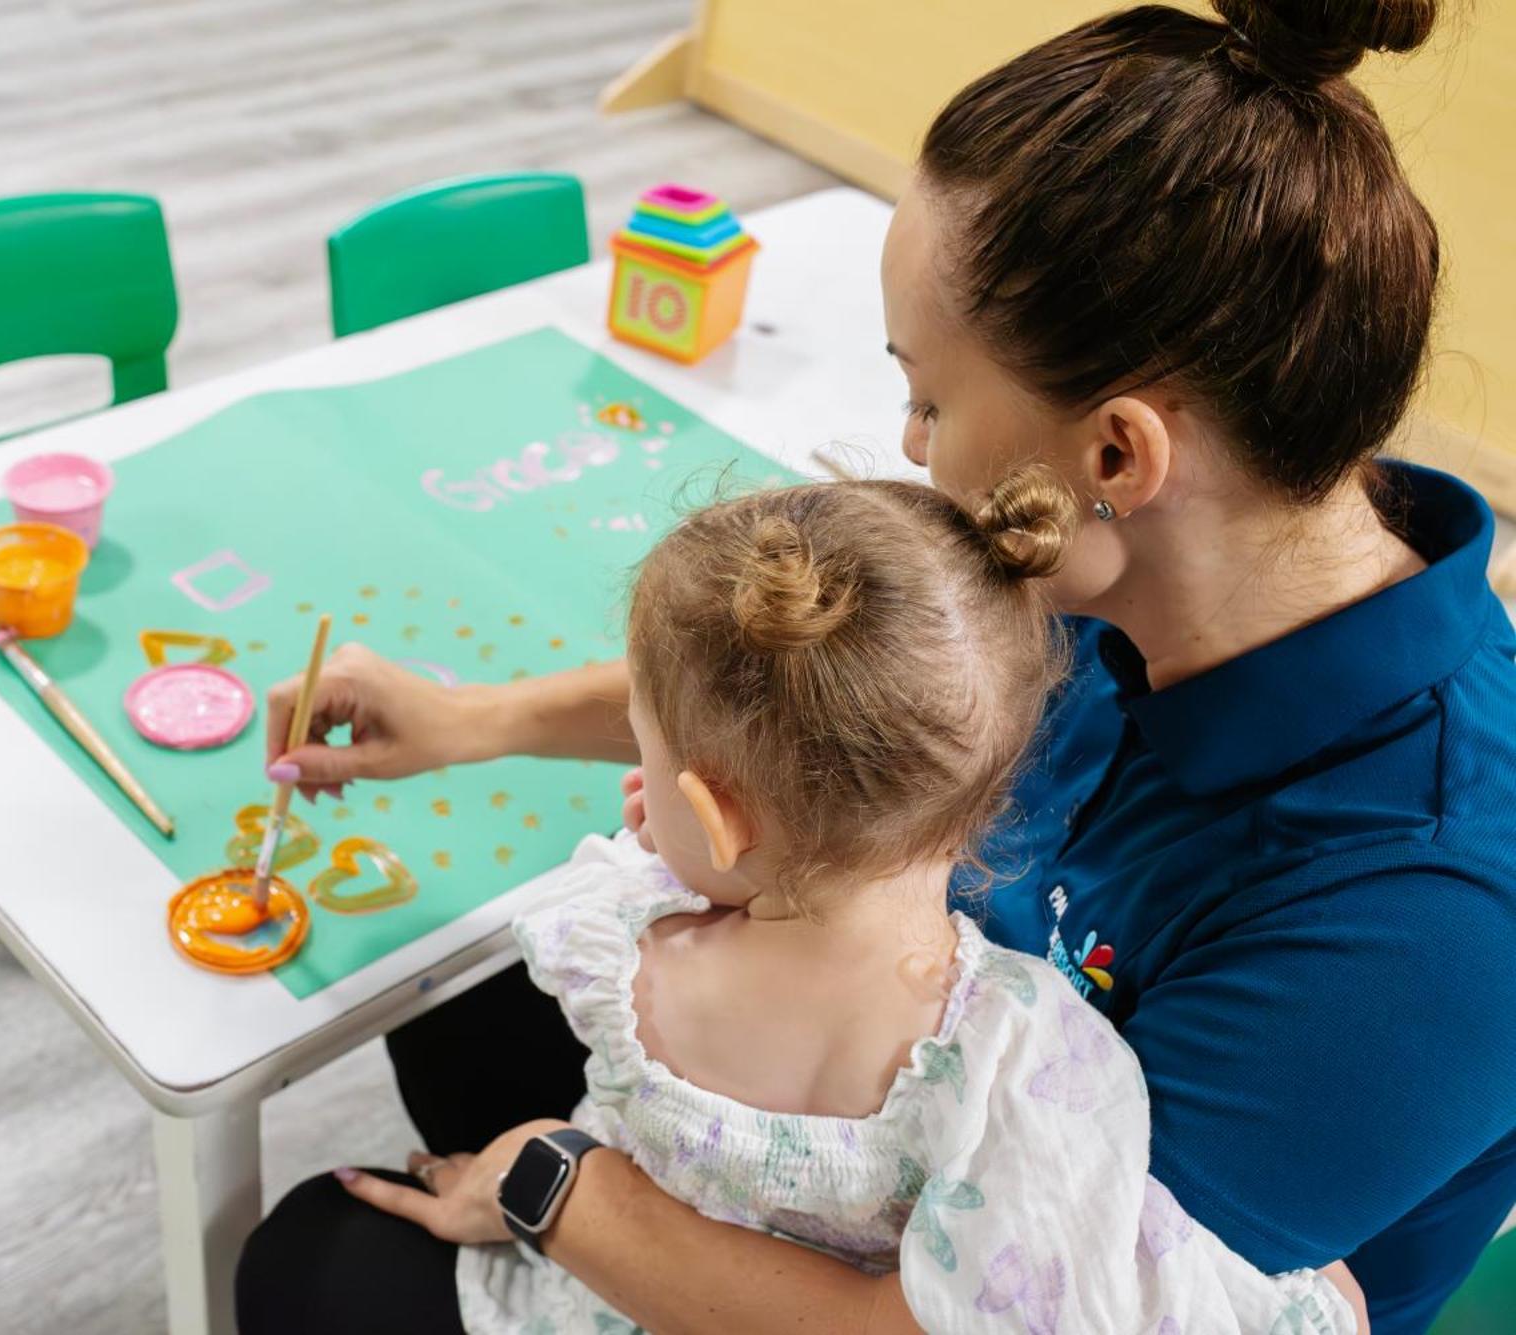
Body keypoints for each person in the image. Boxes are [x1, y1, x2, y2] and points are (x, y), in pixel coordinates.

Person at [239, 2, 1516, 1331]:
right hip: (906, 1109)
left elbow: (971, 1315)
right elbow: (808, 695)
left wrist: (560, 1187)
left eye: (932, 400)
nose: (912, 447)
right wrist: (472, 718)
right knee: (455, 1020)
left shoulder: (1437, 910)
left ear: (1120, 457)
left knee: (316, 1264)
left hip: (970, 1284)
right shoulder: (1126, 564)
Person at [475, 470, 1362, 1333]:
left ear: (716, 813)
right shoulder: (1016, 1058)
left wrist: (686, 860)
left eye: (640, 738)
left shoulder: (625, 942)